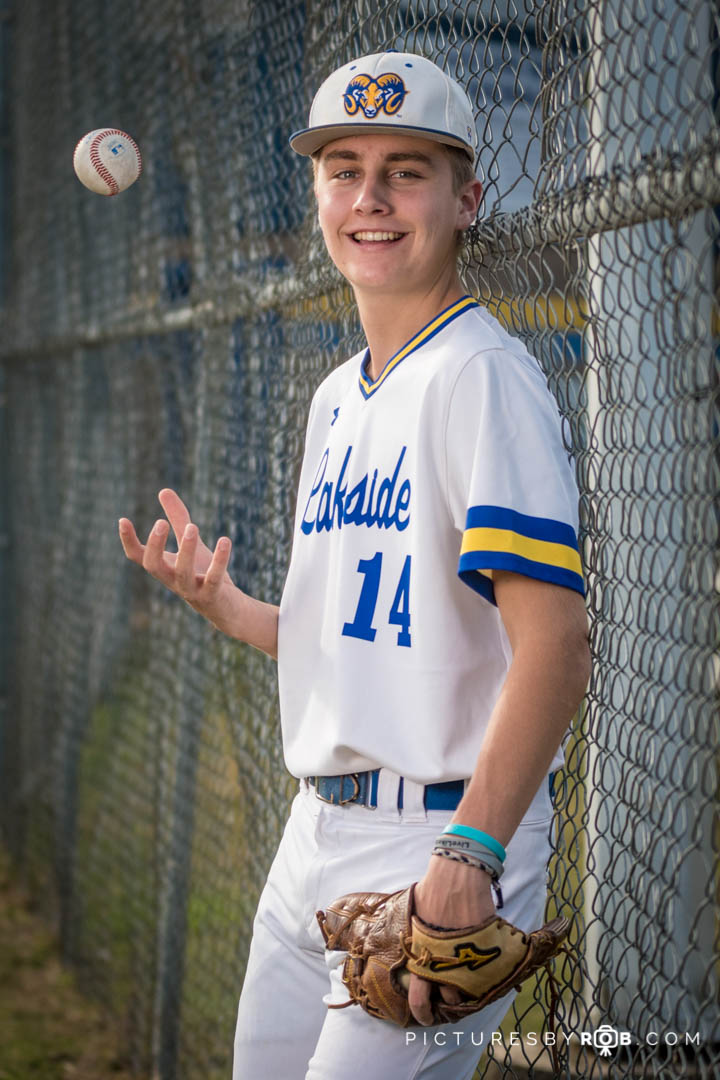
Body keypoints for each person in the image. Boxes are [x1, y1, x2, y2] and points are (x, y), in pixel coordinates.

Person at [118, 51, 590, 1080]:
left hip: (443, 835)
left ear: (466, 198)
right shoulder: (338, 395)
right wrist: (230, 604)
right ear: (319, 195)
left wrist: (472, 856)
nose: (369, 198)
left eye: (406, 170)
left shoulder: (483, 380)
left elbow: (555, 645)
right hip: (315, 833)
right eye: (344, 168)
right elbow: (374, 641)